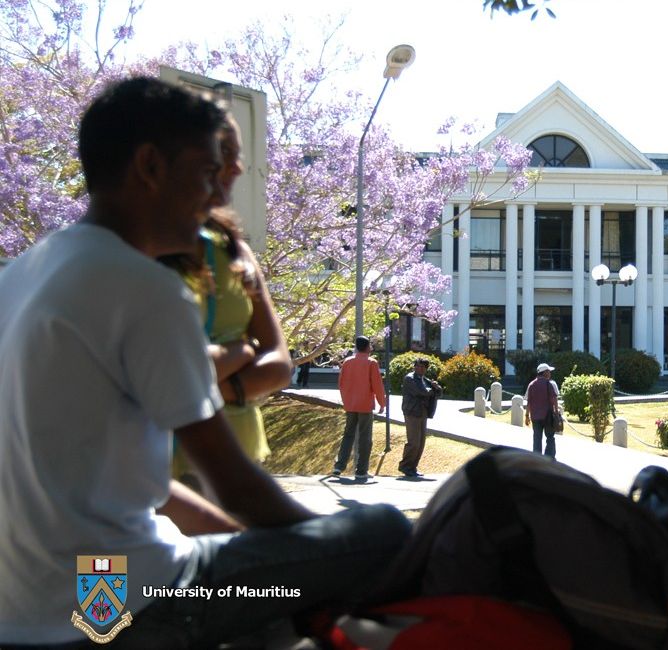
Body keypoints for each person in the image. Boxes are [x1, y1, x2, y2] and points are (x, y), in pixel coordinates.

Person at [0, 77, 410, 648]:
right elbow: (237, 485)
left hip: (25, 614)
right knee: (382, 528)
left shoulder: (19, 274)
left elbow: (140, 490)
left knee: (268, 592)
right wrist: (327, 546)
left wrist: (260, 552)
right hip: (129, 603)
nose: (216, 195)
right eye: (205, 173)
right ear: (149, 166)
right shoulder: (143, 287)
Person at [165, 114, 291, 479]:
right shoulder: (146, 249)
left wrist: (225, 388)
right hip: (165, 464)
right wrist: (242, 352)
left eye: (238, 154)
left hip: (237, 453)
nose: (237, 167)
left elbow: (280, 363)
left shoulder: (233, 250)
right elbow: (160, 381)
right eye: (224, 152)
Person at [332, 335, 386, 481]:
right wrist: (382, 402)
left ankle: (339, 465)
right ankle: (361, 470)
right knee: (365, 438)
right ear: (368, 347)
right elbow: (377, 385)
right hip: (365, 405)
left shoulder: (348, 362)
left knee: (348, 435)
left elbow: (341, 384)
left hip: (351, 404)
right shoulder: (371, 363)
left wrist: (347, 401)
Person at [399, 356, 442, 477]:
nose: (419, 368)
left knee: (421, 442)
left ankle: (413, 467)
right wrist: (433, 389)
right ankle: (405, 466)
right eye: (417, 366)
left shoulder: (425, 379)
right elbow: (422, 392)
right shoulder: (409, 378)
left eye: (422, 367)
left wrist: (435, 387)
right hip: (412, 412)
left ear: (426, 369)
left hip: (423, 412)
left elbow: (439, 392)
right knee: (413, 442)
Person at [525, 362, 561, 458]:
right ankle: (549, 457)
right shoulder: (548, 383)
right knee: (550, 437)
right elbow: (554, 400)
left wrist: (526, 416)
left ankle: (537, 458)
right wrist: (556, 413)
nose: (550, 373)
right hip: (547, 415)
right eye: (548, 371)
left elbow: (529, 402)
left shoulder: (531, 385)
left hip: (535, 417)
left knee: (537, 438)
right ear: (544, 373)